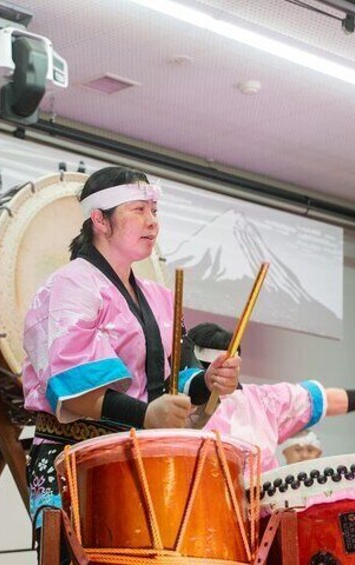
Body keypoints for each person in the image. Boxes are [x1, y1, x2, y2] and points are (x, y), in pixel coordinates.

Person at [20, 167, 241, 547]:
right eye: (138, 210)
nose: (152, 223)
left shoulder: (159, 297)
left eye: (154, 211)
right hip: (73, 460)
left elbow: (178, 376)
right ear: (99, 220)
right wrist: (146, 414)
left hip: (140, 459)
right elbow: (73, 388)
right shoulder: (70, 286)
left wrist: (208, 381)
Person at [188, 322, 355, 471]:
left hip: (259, 521)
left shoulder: (265, 401)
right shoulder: (177, 401)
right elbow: (323, 399)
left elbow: (320, 400)